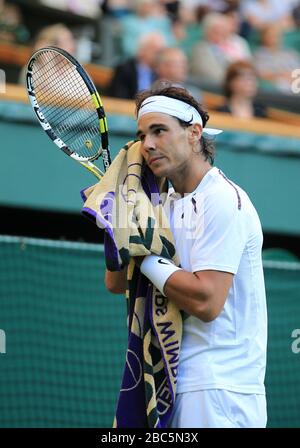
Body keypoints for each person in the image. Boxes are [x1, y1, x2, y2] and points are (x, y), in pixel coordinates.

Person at [105, 83, 268, 428]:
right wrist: (118, 223)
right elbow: (115, 281)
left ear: (194, 133)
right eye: (142, 134)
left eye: (159, 131)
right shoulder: (160, 204)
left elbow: (207, 302)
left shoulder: (222, 199)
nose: (147, 144)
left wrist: (144, 254)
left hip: (220, 391)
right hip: (167, 384)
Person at [107, 32, 166, 99]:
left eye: (161, 52)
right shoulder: (124, 69)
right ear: (143, 49)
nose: (159, 56)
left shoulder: (159, 73)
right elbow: (118, 97)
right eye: (157, 52)